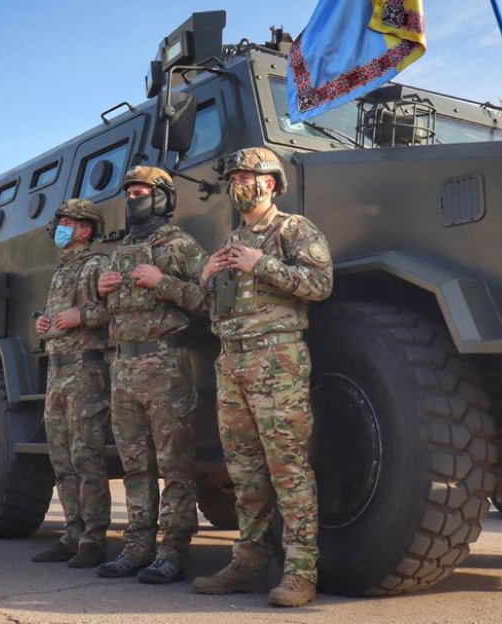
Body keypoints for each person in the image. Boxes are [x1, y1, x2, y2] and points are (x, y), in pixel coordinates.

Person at [192, 147, 334, 607]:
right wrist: (207, 279)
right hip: (231, 363)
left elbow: (320, 284)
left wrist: (261, 263)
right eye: (232, 178)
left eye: (245, 176)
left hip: (278, 360)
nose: (237, 184)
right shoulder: (229, 241)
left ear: (269, 182)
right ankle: (249, 563)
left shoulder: (293, 228)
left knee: (287, 469)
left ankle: (299, 571)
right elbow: (216, 310)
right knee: (244, 473)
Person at [95, 165, 208, 584]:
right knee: (135, 465)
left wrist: (163, 283)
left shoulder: (179, 245)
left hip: (165, 366)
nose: (133, 199)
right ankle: (137, 546)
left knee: (175, 464)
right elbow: (115, 315)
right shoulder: (120, 252)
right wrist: (104, 294)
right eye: (129, 193)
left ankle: (173, 551)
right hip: (123, 368)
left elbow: (210, 299)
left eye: (141, 192)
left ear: (161, 198)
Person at [31, 198, 112, 569]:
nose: (60, 227)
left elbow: (115, 310)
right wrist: (43, 326)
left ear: (86, 229)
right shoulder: (61, 271)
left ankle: (94, 539)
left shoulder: (97, 265)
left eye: (67, 221)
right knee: (61, 458)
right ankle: (72, 534)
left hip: (84, 370)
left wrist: (83, 315)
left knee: (86, 457)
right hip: (57, 370)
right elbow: (56, 319)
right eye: (59, 220)